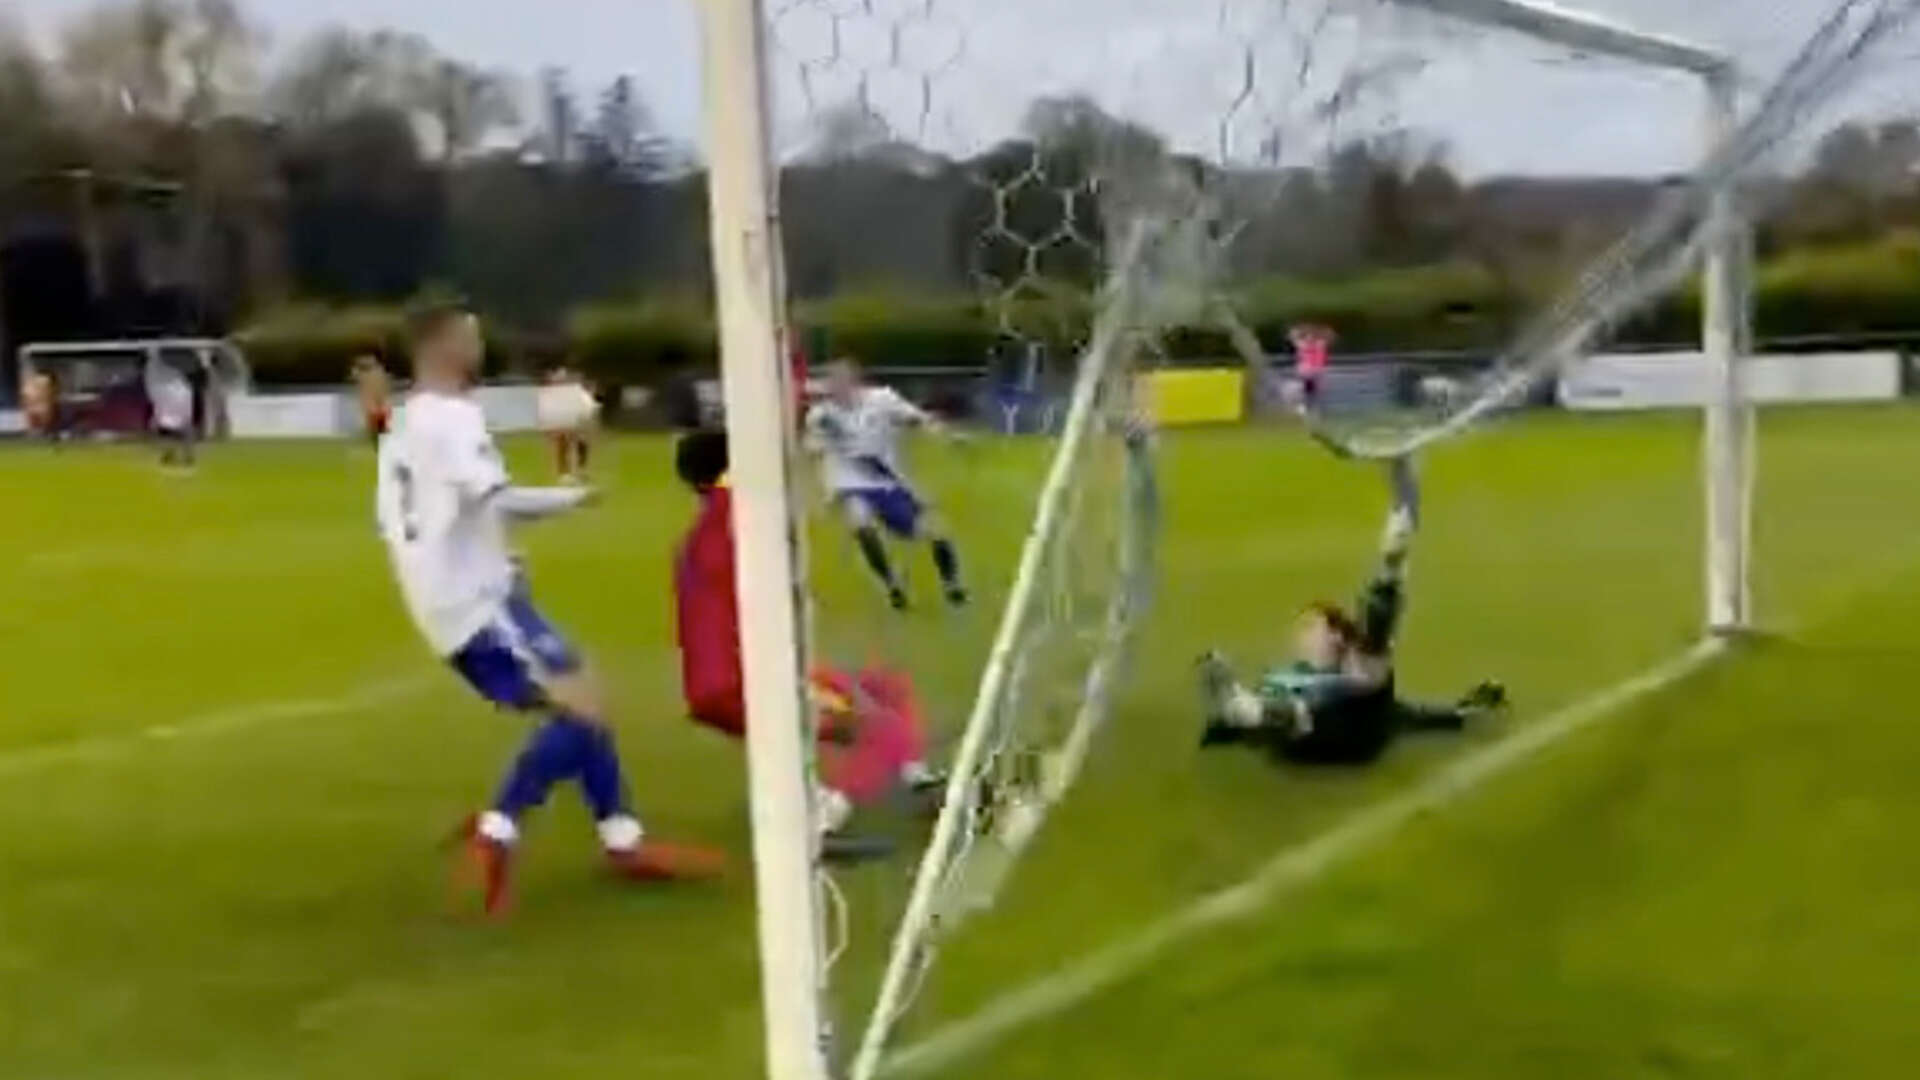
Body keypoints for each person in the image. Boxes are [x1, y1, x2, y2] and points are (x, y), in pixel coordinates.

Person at [376, 302, 723, 915]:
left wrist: (490, 560)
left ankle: (623, 841)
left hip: (462, 598)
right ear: (446, 347)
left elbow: (416, 519)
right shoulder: (453, 418)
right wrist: (572, 499)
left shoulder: (406, 421)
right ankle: (498, 830)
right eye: (471, 338)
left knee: (584, 696)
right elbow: (496, 499)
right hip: (477, 607)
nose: (478, 348)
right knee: (581, 705)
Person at [673, 428, 940, 859]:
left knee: (884, 688)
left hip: (737, 677)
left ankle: (918, 784)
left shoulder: (710, 526)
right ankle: (823, 825)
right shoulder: (739, 514)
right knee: (871, 726)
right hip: (746, 683)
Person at [1197, 457, 1506, 765]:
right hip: (1304, 739)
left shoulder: (1357, 675)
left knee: (1359, 682)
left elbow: (1376, 636)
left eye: (1312, 626)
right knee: (1296, 708)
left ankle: (1246, 709)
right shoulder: (1288, 677)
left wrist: (1390, 566)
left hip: (1348, 733)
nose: (1302, 635)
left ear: (1336, 637)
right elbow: (1412, 717)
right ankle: (1247, 711)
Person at [803, 357, 968, 611]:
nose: (835, 388)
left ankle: (952, 585)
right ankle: (891, 584)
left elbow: (918, 419)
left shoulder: (882, 400)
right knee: (860, 521)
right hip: (851, 484)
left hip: (889, 483)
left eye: (841, 381)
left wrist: (946, 435)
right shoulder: (821, 416)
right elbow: (814, 452)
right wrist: (818, 491)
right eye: (832, 382)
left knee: (935, 530)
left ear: (854, 382)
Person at [536, 365, 599, 482]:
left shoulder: (578, 392)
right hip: (562, 421)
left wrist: (588, 422)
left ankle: (581, 471)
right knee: (562, 445)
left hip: (578, 421)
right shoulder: (551, 394)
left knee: (582, 445)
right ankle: (564, 473)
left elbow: (589, 407)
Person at [145, 354, 196, 468]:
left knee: (177, 430)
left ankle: (181, 454)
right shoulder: (172, 379)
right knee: (172, 431)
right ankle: (174, 454)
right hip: (175, 406)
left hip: (175, 406)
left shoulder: (169, 380)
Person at [350, 354, 393, 445]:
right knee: (377, 428)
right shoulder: (376, 373)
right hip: (377, 406)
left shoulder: (372, 374)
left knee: (378, 428)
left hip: (376, 406)